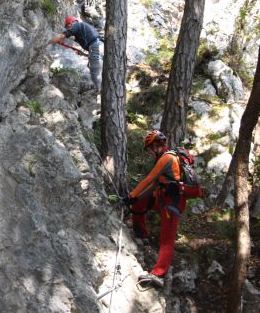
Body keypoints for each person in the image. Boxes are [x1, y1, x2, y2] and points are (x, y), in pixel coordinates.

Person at [122, 130, 205, 287]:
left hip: (172, 203)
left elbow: (149, 179)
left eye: (149, 149)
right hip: (162, 199)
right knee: (140, 203)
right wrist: (134, 199)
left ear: (156, 145)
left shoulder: (167, 158)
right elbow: (153, 185)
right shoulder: (165, 158)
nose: (149, 152)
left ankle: (159, 274)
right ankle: (142, 236)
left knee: (167, 239)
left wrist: (131, 196)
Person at [48, 16, 102, 93]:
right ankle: (100, 88)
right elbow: (72, 38)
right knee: (91, 66)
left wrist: (47, 42)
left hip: (95, 47)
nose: (67, 29)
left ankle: (99, 92)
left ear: (70, 23)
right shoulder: (82, 28)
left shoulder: (77, 25)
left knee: (94, 72)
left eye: (67, 27)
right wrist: (83, 53)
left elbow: (62, 36)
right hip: (99, 45)